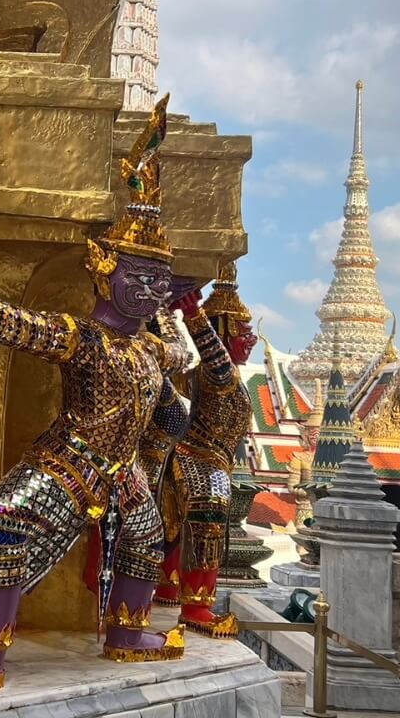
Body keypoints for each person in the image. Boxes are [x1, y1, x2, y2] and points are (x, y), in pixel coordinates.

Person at [0, 98, 190, 700]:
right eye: (139, 278)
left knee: (145, 538)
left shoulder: (155, 351)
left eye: (159, 283)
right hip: (68, 464)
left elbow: (181, 371)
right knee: (2, 520)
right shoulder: (81, 338)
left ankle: (127, 633)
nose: (150, 293)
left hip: (124, 475)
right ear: (104, 271)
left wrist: (182, 322)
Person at [138, 264, 257, 637]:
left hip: (197, 459)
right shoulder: (218, 372)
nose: (251, 338)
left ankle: (169, 587)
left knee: (176, 530)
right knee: (204, 533)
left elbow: (175, 375)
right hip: (202, 464)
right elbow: (208, 347)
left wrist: (164, 317)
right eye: (243, 331)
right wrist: (192, 312)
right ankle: (197, 608)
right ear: (225, 334)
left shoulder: (213, 376)